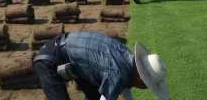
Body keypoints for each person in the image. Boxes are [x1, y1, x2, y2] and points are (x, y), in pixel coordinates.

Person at [33, 31, 170, 100]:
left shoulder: (127, 58)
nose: (146, 87)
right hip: (48, 59)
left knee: (95, 96)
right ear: (141, 77)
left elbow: (125, 87)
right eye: (147, 83)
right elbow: (116, 84)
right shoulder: (117, 74)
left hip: (72, 58)